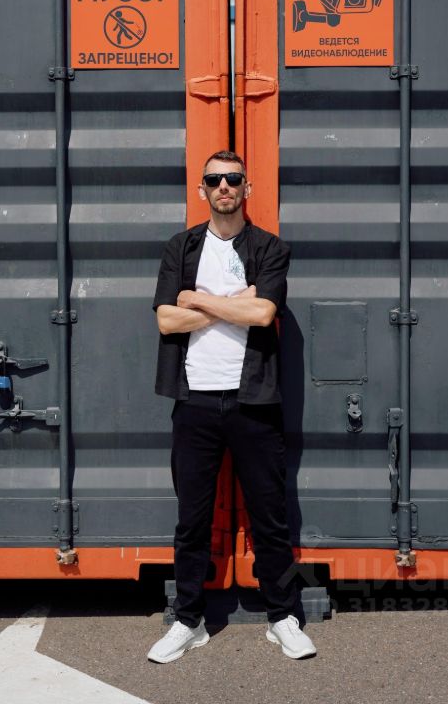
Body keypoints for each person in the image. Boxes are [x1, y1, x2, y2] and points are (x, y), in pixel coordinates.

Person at [147, 150, 316, 663]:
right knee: (192, 521)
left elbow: (263, 314)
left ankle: (283, 617)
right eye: (214, 179)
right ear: (202, 189)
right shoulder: (181, 247)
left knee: (270, 518)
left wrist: (197, 300)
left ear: (247, 188)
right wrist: (234, 303)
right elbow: (166, 321)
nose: (224, 186)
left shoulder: (270, 248)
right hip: (194, 401)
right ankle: (188, 620)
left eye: (233, 178)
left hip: (254, 402)